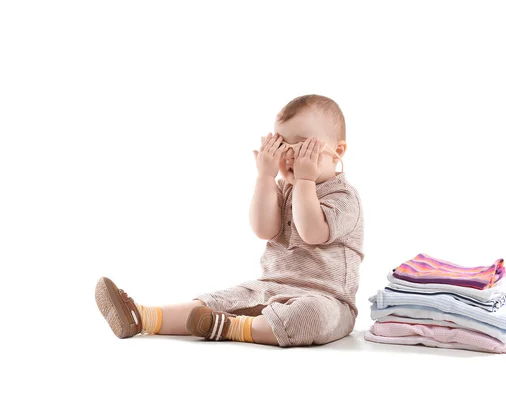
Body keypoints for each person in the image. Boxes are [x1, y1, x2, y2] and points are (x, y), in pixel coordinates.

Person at [95, 94, 364, 347]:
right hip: (270, 286)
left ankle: (230, 328)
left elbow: (312, 232)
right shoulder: (283, 189)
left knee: (310, 317)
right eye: (282, 145)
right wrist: (265, 178)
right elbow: (263, 229)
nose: (291, 156)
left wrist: (305, 180)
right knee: (223, 298)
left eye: (304, 146)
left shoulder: (343, 196)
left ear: (338, 151)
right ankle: (143, 317)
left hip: (327, 300)